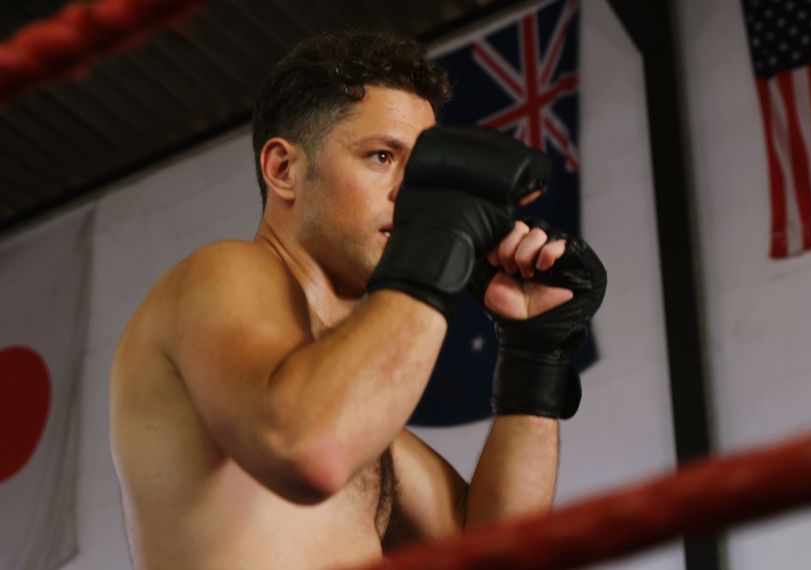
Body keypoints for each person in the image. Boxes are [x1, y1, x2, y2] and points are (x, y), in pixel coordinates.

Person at [109, 29, 605, 569]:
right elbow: (305, 449)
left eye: (421, 168)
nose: (411, 191)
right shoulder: (221, 272)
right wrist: (437, 244)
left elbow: (488, 552)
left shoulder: (346, 403)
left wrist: (533, 358)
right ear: (283, 169)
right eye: (381, 156)